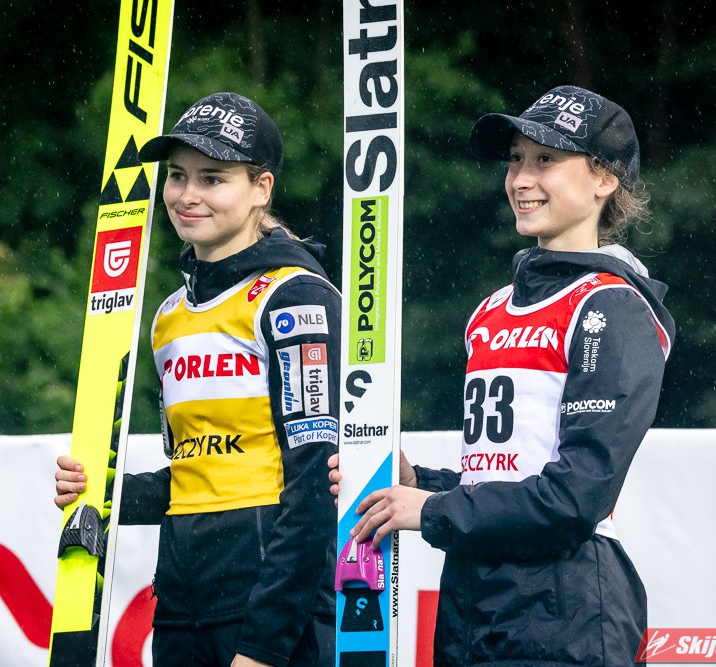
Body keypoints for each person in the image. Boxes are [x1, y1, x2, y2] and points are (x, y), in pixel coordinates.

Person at [329, 85, 676, 666]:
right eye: (516, 159)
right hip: (471, 598)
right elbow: (501, 475)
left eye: (546, 159)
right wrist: (420, 482)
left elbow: (576, 496)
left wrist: (431, 510)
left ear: (604, 178)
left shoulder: (611, 306)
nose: (521, 178)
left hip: (565, 604)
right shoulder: (490, 310)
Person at [56, 92, 340, 667]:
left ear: (261, 189)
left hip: (269, 609)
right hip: (182, 605)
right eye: (177, 176)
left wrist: (264, 644)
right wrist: (103, 493)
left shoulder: (296, 298)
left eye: (213, 179)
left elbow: (315, 487)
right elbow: (194, 472)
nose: (187, 195)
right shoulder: (169, 316)